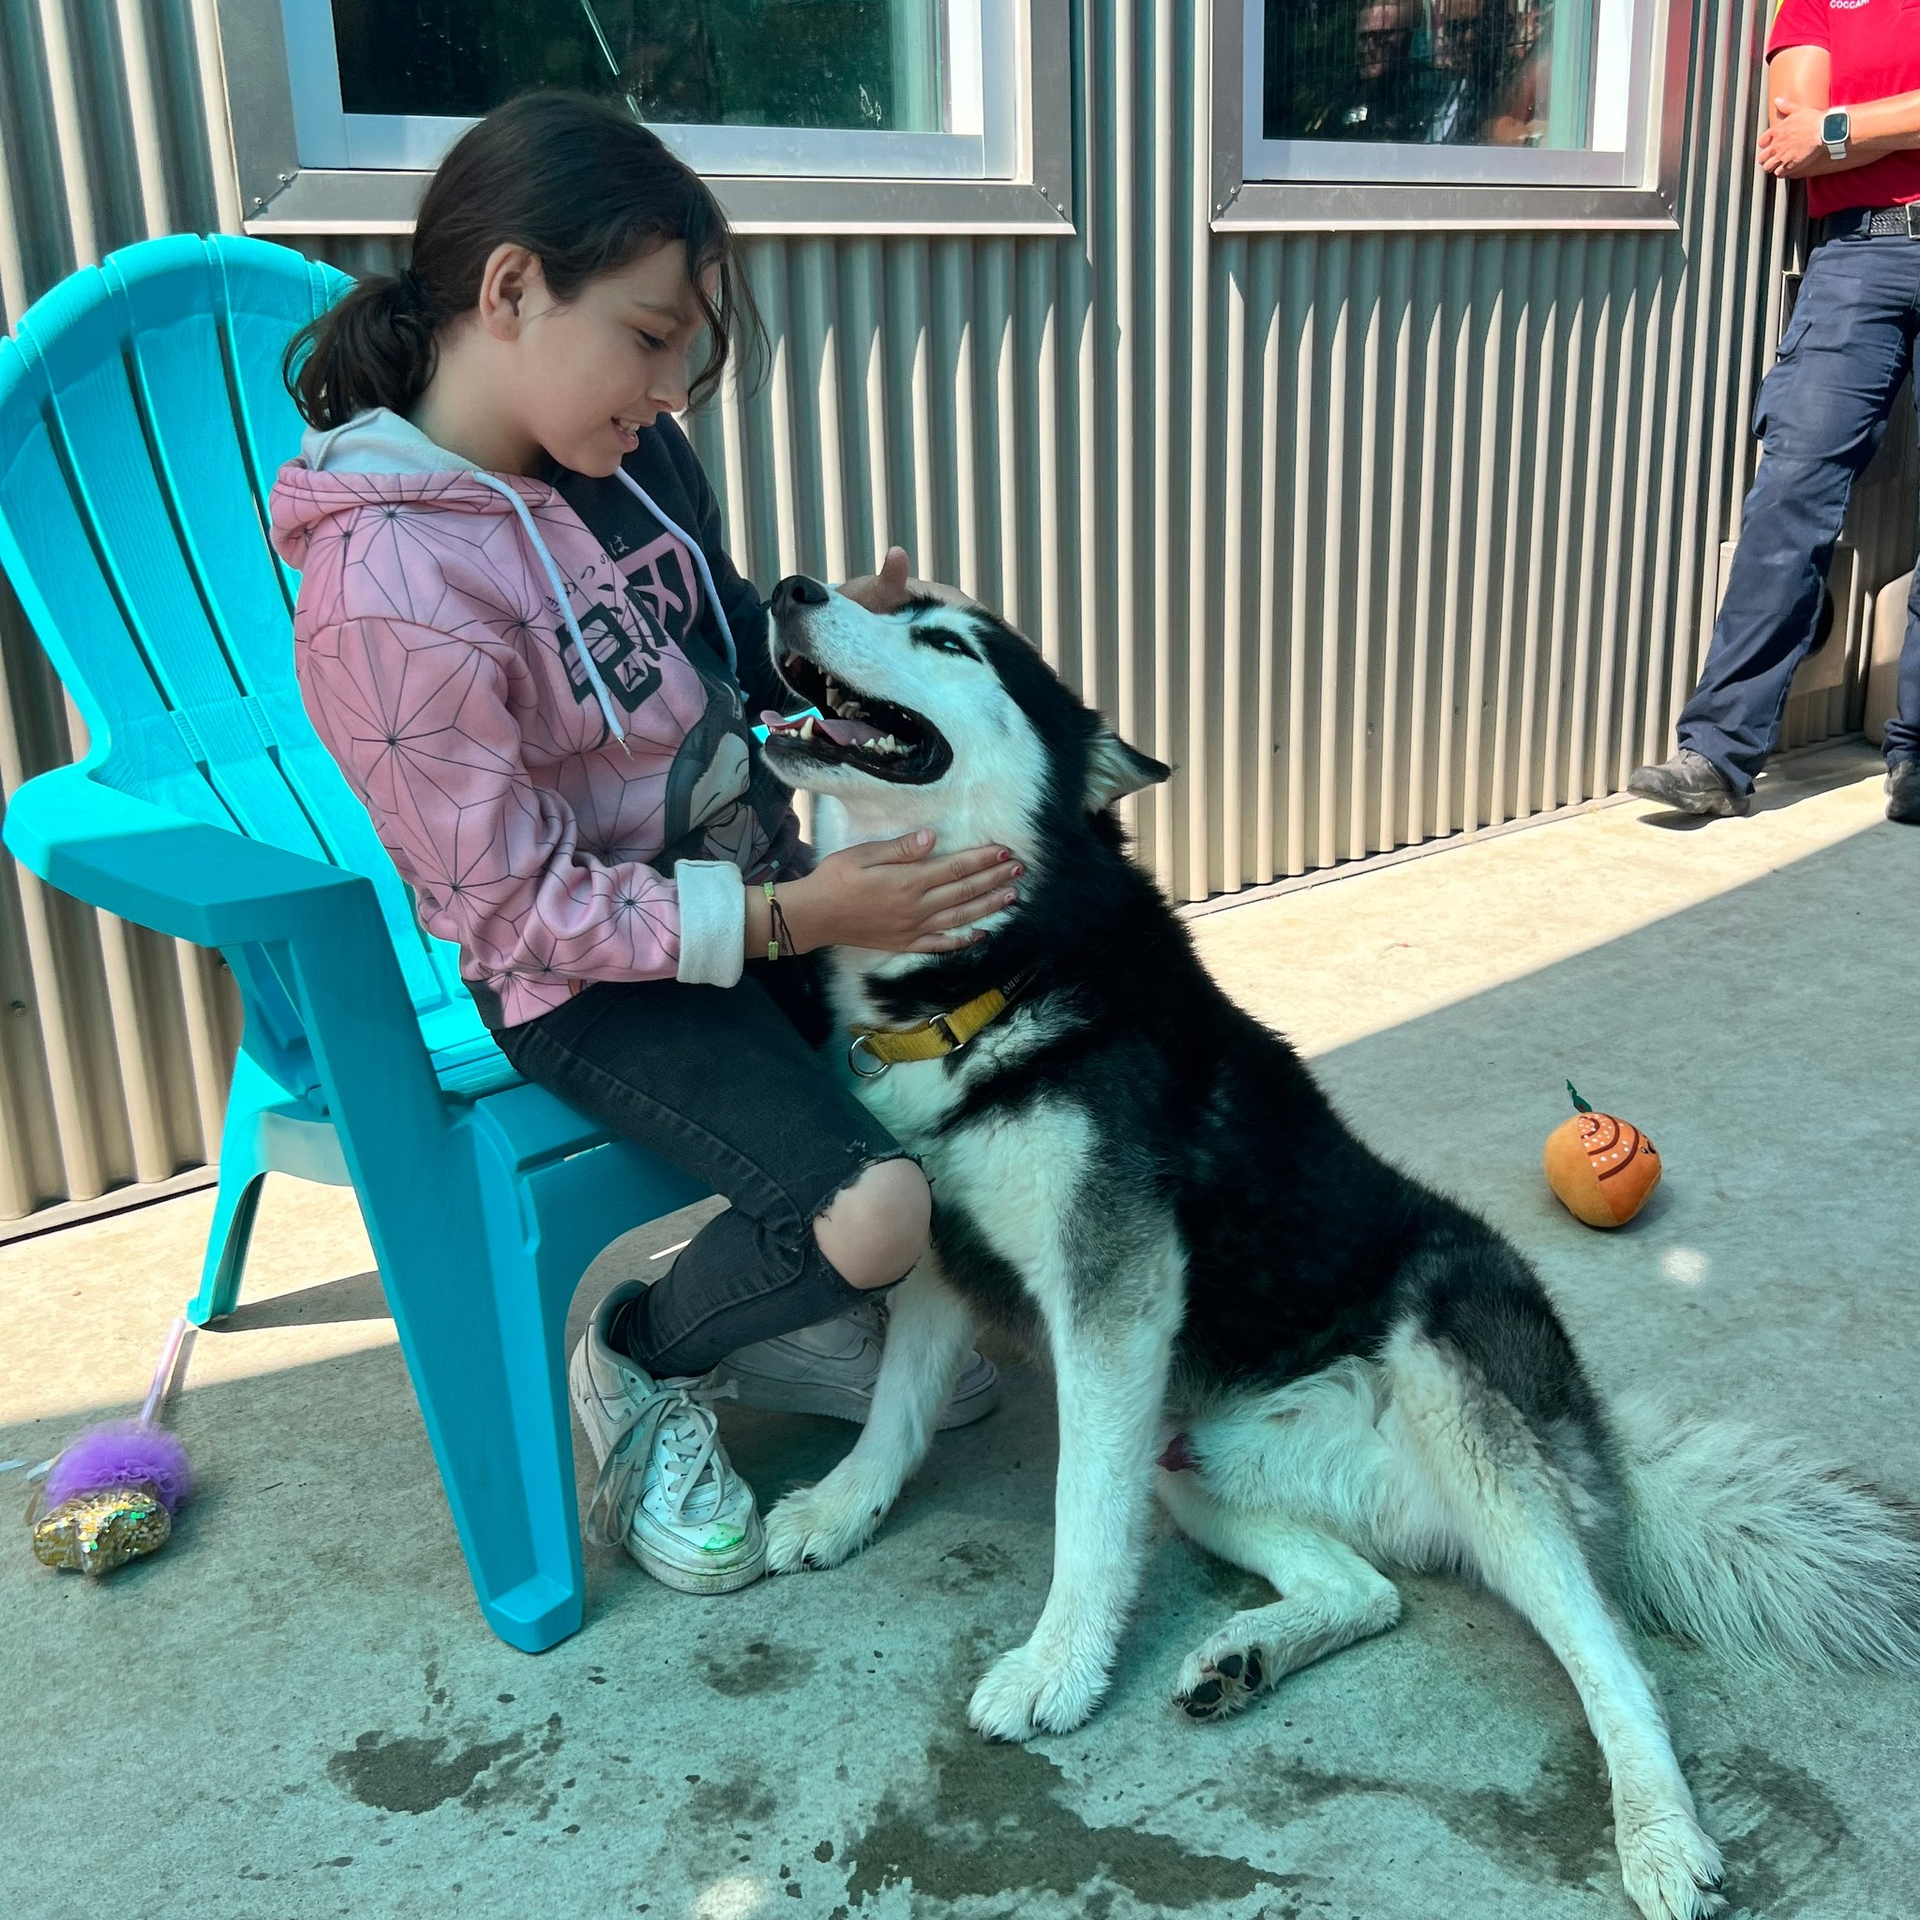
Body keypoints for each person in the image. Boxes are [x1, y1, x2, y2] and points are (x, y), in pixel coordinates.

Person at [268, 91, 1016, 1597]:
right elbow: (514, 909)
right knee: (878, 1210)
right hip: (585, 985)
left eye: (683, 347)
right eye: (651, 336)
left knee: (991, 1051)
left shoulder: (619, 458)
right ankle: (640, 1357)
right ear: (512, 289)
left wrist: (845, 643)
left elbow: (720, 643)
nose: (673, 388)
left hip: (755, 897)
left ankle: (796, 1317)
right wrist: (802, 920)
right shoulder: (389, 589)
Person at [1630, 0, 1920, 824]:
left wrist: (1845, 126)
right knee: (1792, 488)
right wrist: (1878, 128)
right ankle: (1718, 756)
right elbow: (1795, 143)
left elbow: (1823, 133)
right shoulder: (1819, 3)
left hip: (1864, 245)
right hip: (1860, 256)